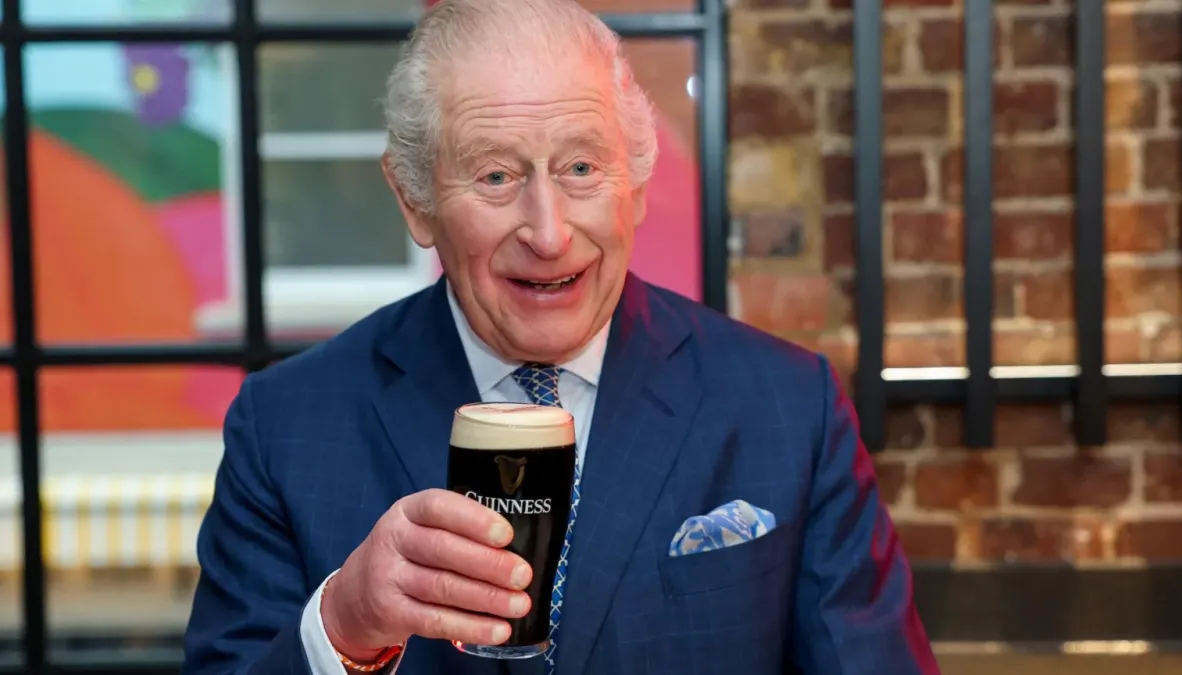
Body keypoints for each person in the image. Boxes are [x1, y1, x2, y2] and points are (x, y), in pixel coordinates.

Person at [181, 0, 940, 672]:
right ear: (414, 199)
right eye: (495, 177)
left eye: (581, 167)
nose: (548, 234)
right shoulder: (284, 426)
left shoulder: (788, 407)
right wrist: (344, 625)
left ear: (634, 186)